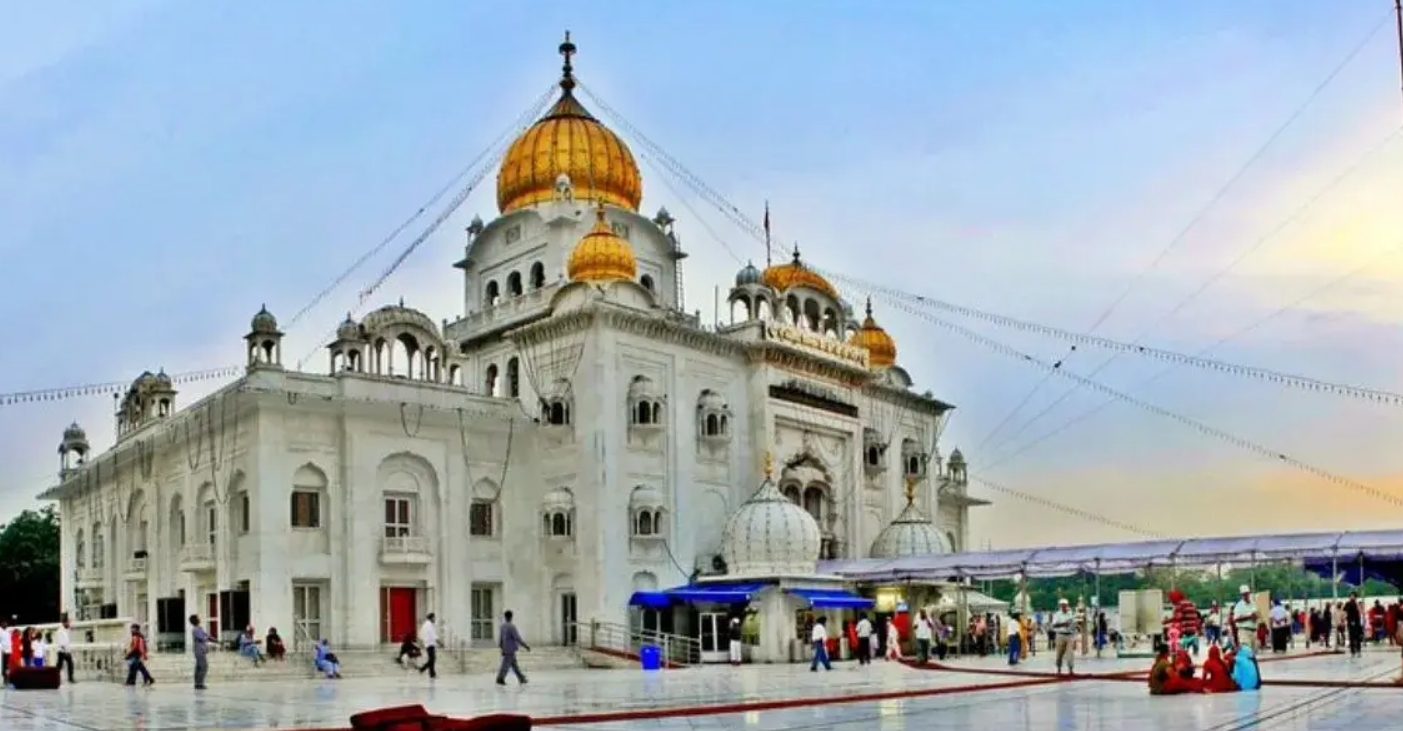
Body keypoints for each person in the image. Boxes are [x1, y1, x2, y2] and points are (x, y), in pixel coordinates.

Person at [495, 610, 530, 685]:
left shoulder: (502, 626)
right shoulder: (512, 626)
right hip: (510, 649)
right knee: (505, 665)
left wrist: (501, 647)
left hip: (505, 648)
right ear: (511, 617)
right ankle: (500, 678)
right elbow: (517, 638)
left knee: (514, 665)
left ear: (505, 617)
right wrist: (525, 646)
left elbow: (501, 638)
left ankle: (521, 678)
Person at [1051, 599, 1076, 675]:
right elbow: (1054, 625)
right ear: (1060, 606)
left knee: (1070, 653)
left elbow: (1074, 625)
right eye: (1062, 605)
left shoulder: (1071, 614)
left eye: (1065, 605)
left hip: (1070, 635)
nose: (1064, 607)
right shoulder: (1057, 614)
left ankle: (1071, 669)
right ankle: (1059, 668)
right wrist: (1063, 624)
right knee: (1059, 654)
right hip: (1060, 635)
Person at [1230, 585, 1258, 649]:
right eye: (1244, 594)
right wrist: (1249, 616)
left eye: (1247, 594)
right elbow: (1236, 619)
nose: (1246, 596)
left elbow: (1255, 615)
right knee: (1246, 651)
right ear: (1242, 595)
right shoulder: (1239, 606)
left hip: (1253, 630)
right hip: (1244, 631)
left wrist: (1255, 617)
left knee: (1253, 654)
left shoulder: (1253, 604)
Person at [418, 613, 439, 678]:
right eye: (434, 618)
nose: (435, 619)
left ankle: (432, 674)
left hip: (428, 643)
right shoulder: (429, 625)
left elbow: (421, 634)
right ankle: (422, 669)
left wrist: (422, 642)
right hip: (430, 644)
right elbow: (433, 635)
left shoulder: (425, 624)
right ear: (431, 618)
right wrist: (439, 642)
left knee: (432, 659)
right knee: (432, 659)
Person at [54, 617, 75, 683]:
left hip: (66, 651)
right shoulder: (60, 631)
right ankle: (55, 678)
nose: (69, 623)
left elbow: (67, 639)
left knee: (70, 664)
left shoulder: (65, 630)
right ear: (64, 623)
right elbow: (60, 643)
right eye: (68, 622)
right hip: (62, 651)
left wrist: (70, 628)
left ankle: (70, 678)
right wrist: (66, 651)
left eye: (69, 622)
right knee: (59, 666)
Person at [1344, 592, 1364, 657]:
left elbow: (1361, 612)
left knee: (1357, 637)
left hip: (1357, 622)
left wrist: (1358, 605)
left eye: (1353, 596)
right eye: (1351, 596)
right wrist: (1344, 618)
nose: (1352, 597)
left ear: (1355, 597)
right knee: (1351, 637)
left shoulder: (1357, 604)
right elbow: (1344, 611)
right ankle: (1352, 652)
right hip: (1350, 622)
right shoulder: (1347, 604)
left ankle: (1358, 651)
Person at [0, 618, 11, 684]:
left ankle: (6, 678)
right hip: (2, 651)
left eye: (6, 623)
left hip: (8, 651)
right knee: (3, 666)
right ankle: (4, 679)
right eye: (4, 623)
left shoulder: (7, 631)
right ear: (1, 624)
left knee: (7, 666)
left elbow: (9, 641)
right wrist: (2, 649)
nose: (6, 624)